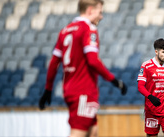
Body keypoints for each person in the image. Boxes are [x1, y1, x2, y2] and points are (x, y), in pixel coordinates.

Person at [38, 0, 127, 137]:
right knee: (78, 133)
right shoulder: (89, 29)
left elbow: (54, 62)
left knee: (93, 132)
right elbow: (93, 60)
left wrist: (48, 89)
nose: (101, 17)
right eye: (100, 12)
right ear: (90, 10)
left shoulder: (65, 31)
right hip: (83, 91)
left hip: (70, 89)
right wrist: (114, 80)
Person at [137, 38, 164, 137]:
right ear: (156, 51)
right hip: (152, 111)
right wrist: (151, 97)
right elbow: (140, 86)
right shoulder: (146, 66)